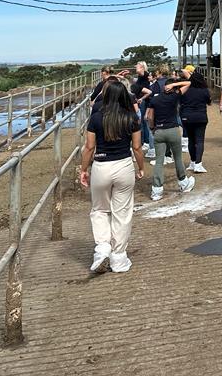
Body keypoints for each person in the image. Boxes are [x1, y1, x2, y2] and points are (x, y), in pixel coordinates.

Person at [79, 79, 145, 274]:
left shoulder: (96, 117)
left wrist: (84, 170)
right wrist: (141, 167)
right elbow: (137, 147)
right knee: (122, 213)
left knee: (99, 210)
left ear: (105, 96)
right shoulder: (131, 118)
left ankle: (102, 248)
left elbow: (89, 147)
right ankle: (118, 257)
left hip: (101, 166)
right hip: (124, 165)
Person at [146, 67, 194, 199]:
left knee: (159, 161)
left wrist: (152, 128)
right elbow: (190, 82)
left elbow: (149, 117)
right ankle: (183, 183)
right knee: (177, 158)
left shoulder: (154, 99)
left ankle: (156, 190)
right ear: (172, 88)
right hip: (173, 129)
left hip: (159, 131)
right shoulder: (175, 96)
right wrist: (175, 84)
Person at [174, 69, 212, 173]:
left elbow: (179, 102)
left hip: (186, 117)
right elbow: (209, 102)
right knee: (199, 141)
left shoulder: (185, 90)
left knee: (191, 140)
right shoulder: (204, 90)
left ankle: (192, 162)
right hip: (200, 117)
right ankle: (198, 164)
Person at [131, 62, 155, 161]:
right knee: (143, 122)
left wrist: (142, 98)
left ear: (141, 67)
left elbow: (145, 77)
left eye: (137, 66)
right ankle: (145, 141)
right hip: (142, 99)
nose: (135, 67)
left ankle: (145, 142)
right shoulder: (141, 76)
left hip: (142, 100)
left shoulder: (144, 74)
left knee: (142, 121)